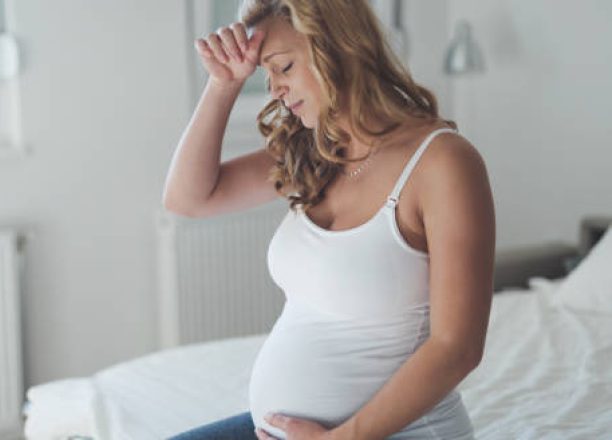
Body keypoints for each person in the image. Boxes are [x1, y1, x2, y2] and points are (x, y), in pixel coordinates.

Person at [162, 0, 495, 438]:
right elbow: (188, 199)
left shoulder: (443, 163)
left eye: (283, 67)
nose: (275, 89)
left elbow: (458, 348)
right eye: (266, 75)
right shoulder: (314, 151)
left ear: (336, 47)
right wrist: (223, 85)